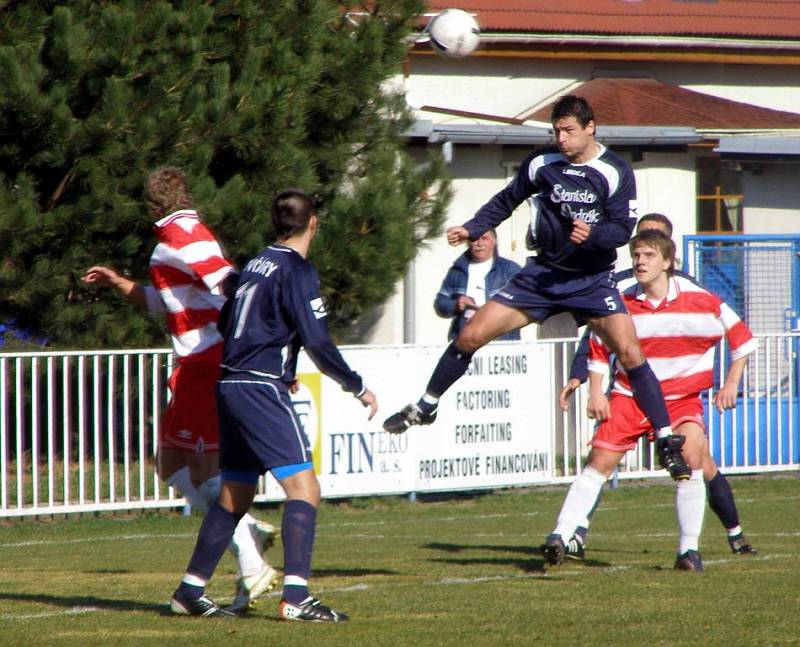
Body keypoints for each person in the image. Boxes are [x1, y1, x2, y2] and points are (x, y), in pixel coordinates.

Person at [383, 95, 691, 483]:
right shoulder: (541, 163)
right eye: (556, 131)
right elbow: (506, 200)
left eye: (569, 130)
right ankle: (427, 406)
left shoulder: (614, 171)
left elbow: (621, 230)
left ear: (590, 127)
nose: (561, 138)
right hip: (542, 277)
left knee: (630, 353)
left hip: (591, 281)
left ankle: (665, 439)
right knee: (471, 334)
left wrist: (594, 236)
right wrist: (474, 227)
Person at [169, 188, 378, 620]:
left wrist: (280, 366)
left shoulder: (252, 266)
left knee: (234, 495)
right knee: (305, 488)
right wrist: (355, 386)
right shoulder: (297, 270)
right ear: (313, 223)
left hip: (230, 384)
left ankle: (189, 591)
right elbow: (317, 337)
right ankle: (296, 597)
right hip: (258, 388)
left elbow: (230, 322)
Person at [82, 167, 278, 608]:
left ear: (152, 206)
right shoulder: (175, 238)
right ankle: (247, 532)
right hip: (191, 364)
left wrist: (259, 341)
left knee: (205, 470)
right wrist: (121, 284)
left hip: (205, 363)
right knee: (169, 464)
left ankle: (250, 561)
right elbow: (166, 301)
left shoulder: (184, 234)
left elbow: (231, 285)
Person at [542, 230, 757, 571]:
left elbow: (744, 341)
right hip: (631, 396)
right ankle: (560, 535)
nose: (640, 262)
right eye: (637, 256)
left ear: (668, 262)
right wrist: (596, 390)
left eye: (649, 256)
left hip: (681, 399)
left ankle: (689, 551)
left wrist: (730, 383)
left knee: (691, 458)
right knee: (599, 462)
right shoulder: (622, 302)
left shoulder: (703, 300)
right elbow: (599, 348)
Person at [434, 228, 521, 341]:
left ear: (494, 241)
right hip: (464, 340)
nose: (479, 244)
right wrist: (456, 304)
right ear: (468, 242)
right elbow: (440, 304)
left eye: (484, 238)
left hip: (501, 341)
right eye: (474, 239)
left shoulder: (510, 270)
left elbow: (527, 302)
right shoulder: (457, 271)